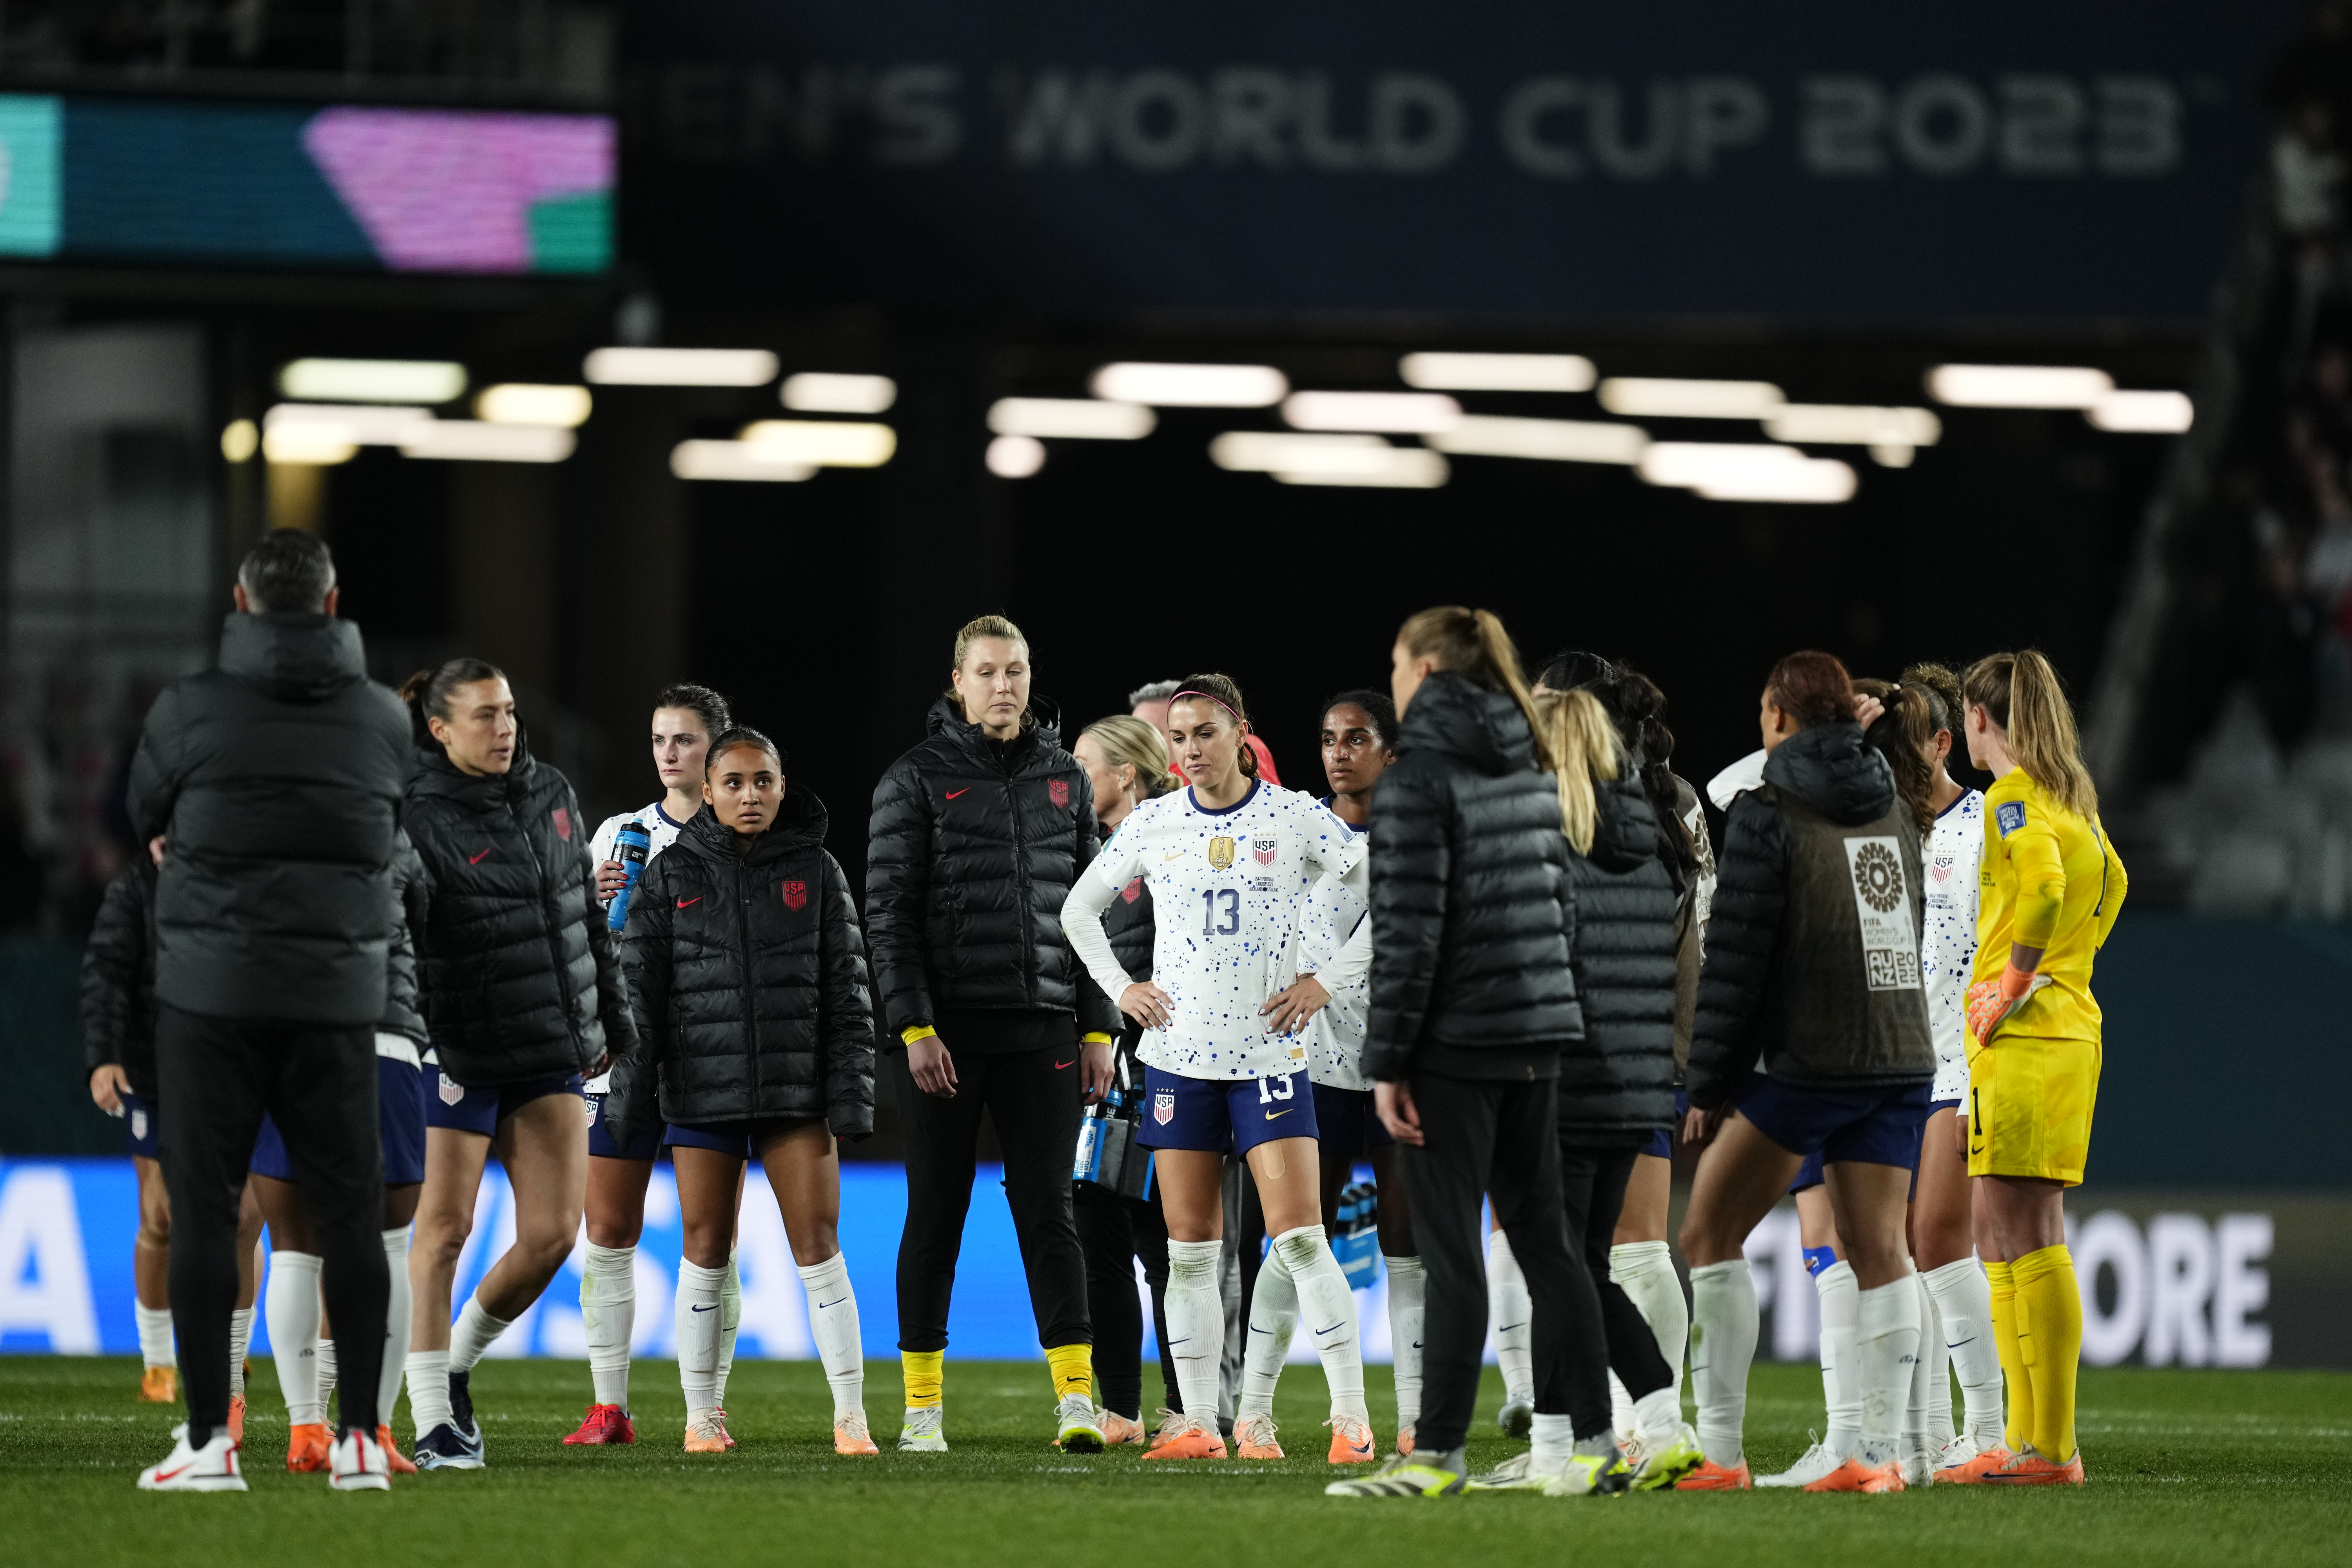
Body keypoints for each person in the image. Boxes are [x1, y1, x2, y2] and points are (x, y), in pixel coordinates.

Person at [126, 528, 410, 1492]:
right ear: (332, 606)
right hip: (337, 1002)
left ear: (241, 606)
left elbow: (143, 816)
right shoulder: (383, 718)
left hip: (211, 998)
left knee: (208, 1216)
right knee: (350, 1218)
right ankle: (363, 1437)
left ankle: (209, 1442)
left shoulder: (187, 708)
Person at [1332, 607, 1618, 1501]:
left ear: (1421, 669)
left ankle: (1438, 1452)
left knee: (1452, 1244)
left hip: (1459, 1036)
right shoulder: (1531, 760)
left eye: (1395, 661)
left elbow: (1410, 932)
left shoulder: (1420, 776)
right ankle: (1599, 1442)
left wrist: (1388, 1061)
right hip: (1539, 1031)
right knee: (1548, 1239)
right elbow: (1557, 907)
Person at [1062, 673, 1377, 1467]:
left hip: (1270, 1059)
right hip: (1179, 1062)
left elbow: (1390, 898)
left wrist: (1325, 981)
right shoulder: (1153, 822)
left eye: (1205, 731)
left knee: (1301, 1238)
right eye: (1178, 735)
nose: (1191, 748)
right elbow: (1077, 910)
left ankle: (1352, 1419)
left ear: (1241, 732)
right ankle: (1199, 1420)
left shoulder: (1295, 815)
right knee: (1193, 1248)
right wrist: (1122, 989)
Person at [1675, 650, 1935, 1494]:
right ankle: (1881, 1454)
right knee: (1879, 1250)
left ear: (1780, 717)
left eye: (1764, 712)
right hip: (1900, 1052)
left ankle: (1719, 1454)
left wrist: (1708, 1085)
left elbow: (1738, 959)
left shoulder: (1769, 809)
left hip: (1812, 1057)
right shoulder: (1897, 806)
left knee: (1708, 1234)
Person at [866, 615, 1116, 1452]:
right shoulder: (915, 777)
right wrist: (913, 1025)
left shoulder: (1065, 778)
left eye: (1015, 669)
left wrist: (1098, 1026)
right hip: (946, 1034)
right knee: (936, 1208)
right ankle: (922, 1408)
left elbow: (1088, 915)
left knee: (1051, 1208)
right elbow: (889, 916)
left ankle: (1077, 1399)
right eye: (987, 671)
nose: (1004, 685)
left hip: (1044, 1027)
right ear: (958, 681)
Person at [612, 727, 878, 1455]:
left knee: (820, 1247)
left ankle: (851, 1417)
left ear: (782, 787)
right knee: (704, 1250)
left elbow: (851, 994)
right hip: (702, 1094)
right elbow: (640, 1000)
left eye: (762, 781)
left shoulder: (818, 870)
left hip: (798, 1095)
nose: (749, 795)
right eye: (733, 783)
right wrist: (632, 1104)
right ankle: (703, 1417)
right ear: (707, 792)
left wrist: (851, 1098)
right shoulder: (669, 877)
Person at [400, 659, 635, 1470]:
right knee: (442, 1232)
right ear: (439, 729)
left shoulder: (553, 793)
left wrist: (610, 1016)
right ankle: (431, 1420)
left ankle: (456, 1365)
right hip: (459, 1047)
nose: (503, 728)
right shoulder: (415, 814)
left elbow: (586, 917)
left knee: (547, 1237)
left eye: (507, 712)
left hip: (547, 1044)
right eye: (482, 717)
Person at [1941, 651, 2127, 1486]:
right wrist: (2069, 967)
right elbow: (2111, 883)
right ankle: (2025, 1439)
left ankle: (2051, 1447)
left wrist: (2017, 979)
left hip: (2022, 1037)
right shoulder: (2073, 798)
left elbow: (2047, 891)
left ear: (1980, 719)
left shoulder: (2013, 798)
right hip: (2069, 1029)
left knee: (2028, 1236)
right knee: (2005, 1235)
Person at [1232, 691, 1426, 1458]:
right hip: (1305, 1066)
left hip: (1400, 1066)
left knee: (1408, 1245)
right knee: (1291, 1237)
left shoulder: (1420, 838)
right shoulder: (1292, 828)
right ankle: (1254, 1414)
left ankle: (1413, 1421)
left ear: (1392, 750)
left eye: (1357, 737)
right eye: (1327, 738)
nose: (1339, 751)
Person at [568, 683, 733, 1447]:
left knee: (711, 1237)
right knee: (607, 1226)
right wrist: (590, 905)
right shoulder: (618, 833)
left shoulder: (740, 832)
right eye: (661, 738)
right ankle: (610, 1405)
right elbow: (579, 947)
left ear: (716, 748)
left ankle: (709, 1405)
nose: (670, 752)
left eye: (686, 739)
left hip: (710, 1055)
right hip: (624, 1055)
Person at [254, 831, 431, 1476]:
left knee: (295, 1250)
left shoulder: (259, 818)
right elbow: (426, 921)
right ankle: (374, 1432)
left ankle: (306, 1428)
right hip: (382, 1033)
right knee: (386, 1244)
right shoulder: (390, 828)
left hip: (285, 1038)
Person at [83, 836, 267, 1417]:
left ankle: (232, 1351)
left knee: (243, 1214)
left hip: (236, 1064)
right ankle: (159, 1363)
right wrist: (104, 1055)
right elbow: (107, 972)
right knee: (161, 1216)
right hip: (155, 1070)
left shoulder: (238, 875)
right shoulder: (135, 888)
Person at [1069, 714, 1183, 1446]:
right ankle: (1125, 1410)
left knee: (1166, 1247)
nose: (1070, 777)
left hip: (1161, 1074)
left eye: (1083, 765)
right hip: (1104, 1083)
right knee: (1099, 1237)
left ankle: (1187, 1405)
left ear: (1126, 777)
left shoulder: (1167, 845)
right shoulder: (1091, 851)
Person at [1132, 676, 1279, 783]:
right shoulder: (1148, 810)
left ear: (1240, 733)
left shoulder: (1244, 746)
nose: (1191, 751)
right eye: (1179, 738)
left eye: (1205, 735)